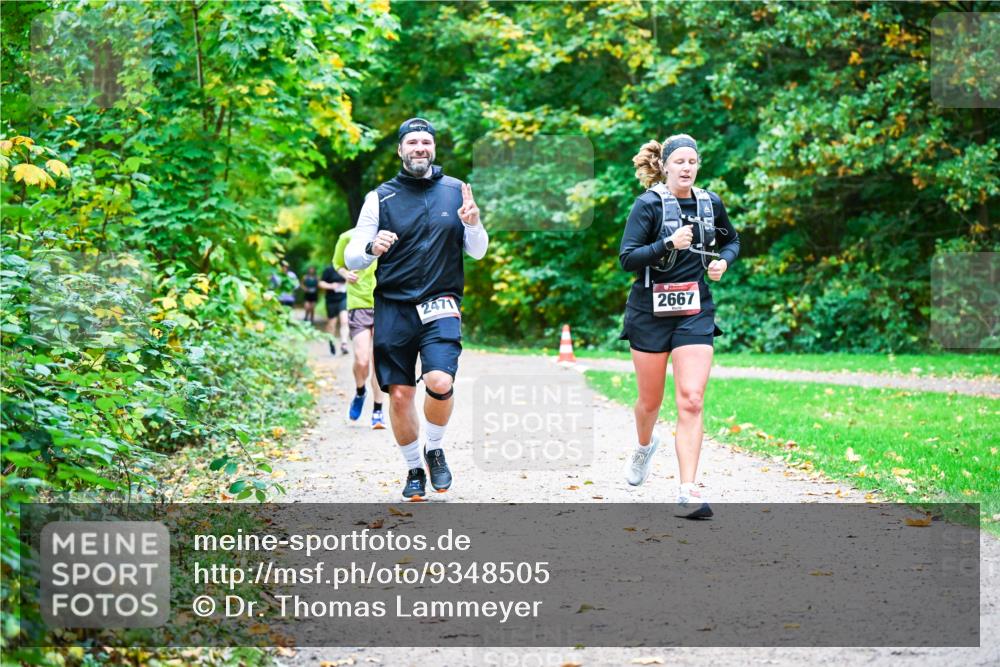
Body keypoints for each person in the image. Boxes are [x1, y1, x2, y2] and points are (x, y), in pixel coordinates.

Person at [346, 117, 488, 501]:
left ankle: (435, 448)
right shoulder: (380, 198)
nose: (420, 148)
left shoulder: (456, 191)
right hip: (394, 306)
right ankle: (413, 468)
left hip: (441, 302)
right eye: (412, 142)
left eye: (426, 141)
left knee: (440, 381)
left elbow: (477, 250)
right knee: (400, 395)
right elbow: (352, 255)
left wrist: (473, 224)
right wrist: (371, 247)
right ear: (400, 150)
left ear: (434, 148)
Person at [618, 134, 740, 519]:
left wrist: (723, 262)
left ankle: (688, 490)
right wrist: (668, 243)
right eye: (679, 162)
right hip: (649, 312)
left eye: (692, 161)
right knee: (650, 402)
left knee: (691, 398)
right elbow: (627, 258)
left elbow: (732, 241)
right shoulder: (648, 205)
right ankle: (643, 446)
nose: (687, 168)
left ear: (698, 165)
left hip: (694, 310)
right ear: (665, 166)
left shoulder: (710, 203)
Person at [333, 227, 386, 429]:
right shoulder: (347, 237)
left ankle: (378, 411)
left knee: (379, 361)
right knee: (362, 359)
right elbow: (337, 263)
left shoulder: (389, 236)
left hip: (384, 303)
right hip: (358, 304)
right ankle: (360, 391)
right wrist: (346, 274)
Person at [319, 260, 349, 355]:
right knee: (332, 324)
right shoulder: (329, 270)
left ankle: (344, 344)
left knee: (345, 321)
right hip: (331, 300)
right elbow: (320, 283)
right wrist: (331, 286)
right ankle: (331, 342)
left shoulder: (346, 269)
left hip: (343, 298)